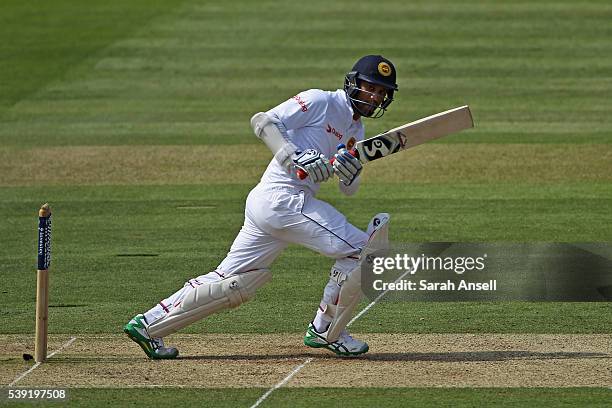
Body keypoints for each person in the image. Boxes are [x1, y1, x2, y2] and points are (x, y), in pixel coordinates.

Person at [123, 55, 398, 359]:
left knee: (232, 282)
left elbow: (349, 189)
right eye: (370, 88)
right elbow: (263, 121)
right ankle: (326, 329)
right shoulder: (320, 101)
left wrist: (352, 171)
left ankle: (148, 325)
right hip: (282, 198)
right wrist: (293, 156)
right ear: (353, 83)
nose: (374, 97)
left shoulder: (356, 132)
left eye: (381, 93)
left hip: (276, 205)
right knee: (363, 252)